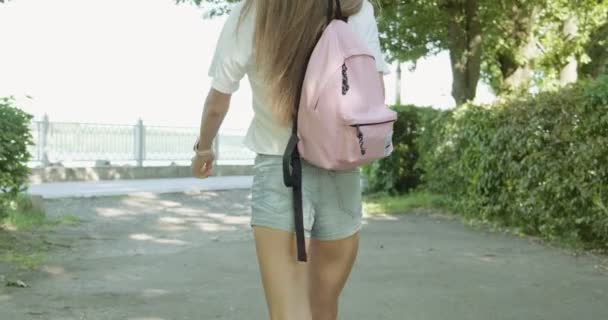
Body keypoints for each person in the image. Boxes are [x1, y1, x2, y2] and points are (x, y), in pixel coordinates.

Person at [191, 1, 389, 319]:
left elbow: (218, 99)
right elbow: (374, 89)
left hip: (279, 170)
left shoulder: (253, 11)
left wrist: (203, 149)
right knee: (324, 305)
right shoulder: (355, 6)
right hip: (340, 168)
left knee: (289, 311)